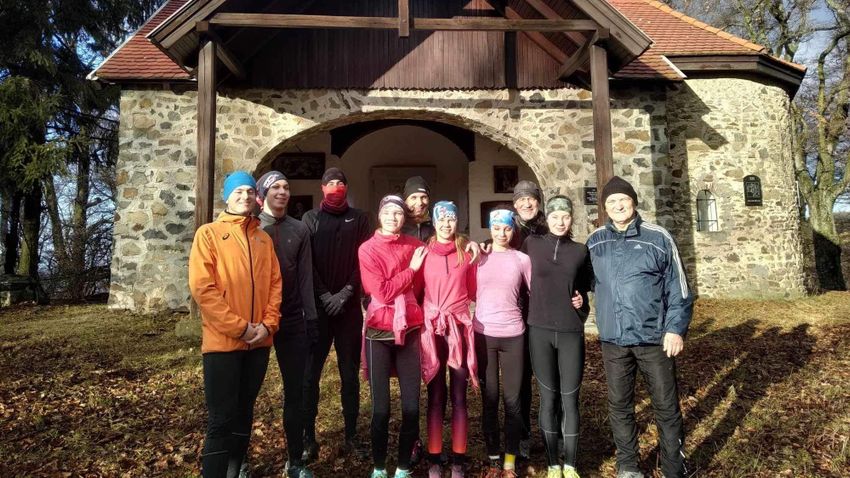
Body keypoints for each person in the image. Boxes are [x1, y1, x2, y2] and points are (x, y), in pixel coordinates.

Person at [587, 176, 692, 478]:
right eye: (611, 202)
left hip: (654, 339)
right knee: (620, 405)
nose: (618, 206)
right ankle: (628, 465)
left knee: (665, 405)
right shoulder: (596, 241)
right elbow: (585, 281)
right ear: (605, 207)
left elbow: (679, 287)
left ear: (633, 202)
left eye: (623, 199)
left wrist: (675, 328)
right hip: (614, 340)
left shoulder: (658, 237)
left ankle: (673, 467)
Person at [189, 171, 282, 478]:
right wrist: (240, 328)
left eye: (249, 192)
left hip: (258, 343)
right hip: (223, 344)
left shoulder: (263, 239)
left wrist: (267, 326)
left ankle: (235, 472)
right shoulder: (208, 234)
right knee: (221, 420)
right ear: (227, 196)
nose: (245, 196)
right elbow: (203, 289)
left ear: (257, 198)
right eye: (238, 191)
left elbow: (275, 285)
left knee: (244, 414)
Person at [301, 168, 372, 460]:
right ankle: (308, 437)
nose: (336, 187)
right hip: (318, 310)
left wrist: (345, 293)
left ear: (347, 187)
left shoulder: (360, 218)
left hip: (348, 309)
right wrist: (324, 295)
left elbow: (364, 259)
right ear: (322, 188)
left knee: (349, 375)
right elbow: (307, 261)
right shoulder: (310, 219)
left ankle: (351, 435)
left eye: (340, 183)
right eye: (330, 183)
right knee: (310, 375)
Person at [358, 194, 428, 478]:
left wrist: (473, 245)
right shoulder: (367, 249)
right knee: (381, 409)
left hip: (410, 331)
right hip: (378, 333)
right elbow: (383, 292)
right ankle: (378, 467)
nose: (392, 217)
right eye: (387, 212)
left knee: (411, 407)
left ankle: (402, 467)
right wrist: (410, 271)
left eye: (398, 213)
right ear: (379, 215)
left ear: (404, 218)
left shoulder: (416, 246)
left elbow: (432, 272)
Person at [522, 195, 591, 478]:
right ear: (547, 218)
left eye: (565, 216)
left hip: (570, 332)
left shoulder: (580, 251)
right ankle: (553, 464)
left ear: (571, 219)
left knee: (570, 400)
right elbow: (512, 268)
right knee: (548, 399)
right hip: (539, 330)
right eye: (554, 217)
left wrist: (582, 303)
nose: (560, 222)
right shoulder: (531, 244)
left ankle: (571, 465)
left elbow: (583, 291)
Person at [256, 170, 319, 478]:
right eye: (275, 187)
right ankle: (238, 462)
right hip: (257, 320)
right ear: (263, 194)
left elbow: (306, 276)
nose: (282, 192)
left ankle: (295, 460)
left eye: (286, 187)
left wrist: (312, 318)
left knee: (295, 391)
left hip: (293, 318)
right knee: (246, 394)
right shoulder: (252, 227)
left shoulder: (299, 229)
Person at [419, 201, 478, 478]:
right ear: (434, 222)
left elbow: (474, 289)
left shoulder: (466, 253)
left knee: (458, 396)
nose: (446, 224)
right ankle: (434, 458)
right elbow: (416, 289)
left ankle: (458, 459)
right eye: (441, 219)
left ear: (457, 221)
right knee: (435, 396)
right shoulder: (423, 253)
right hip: (432, 331)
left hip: (458, 330)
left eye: (451, 219)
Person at [474, 209, 532, 478]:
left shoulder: (522, 259)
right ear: (490, 228)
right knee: (490, 399)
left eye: (507, 228)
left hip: (513, 335)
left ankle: (510, 460)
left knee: (513, 400)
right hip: (483, 334)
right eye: (496, 228)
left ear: (513, 230)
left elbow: (537, 293)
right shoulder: (479, 256)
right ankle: (493, 458)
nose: (501, 233)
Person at [400, 176, 435, 242]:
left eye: (423, 197)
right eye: (414, 198)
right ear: (405, 201)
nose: (420, 203)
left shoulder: (437, 224)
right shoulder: (398, 225)